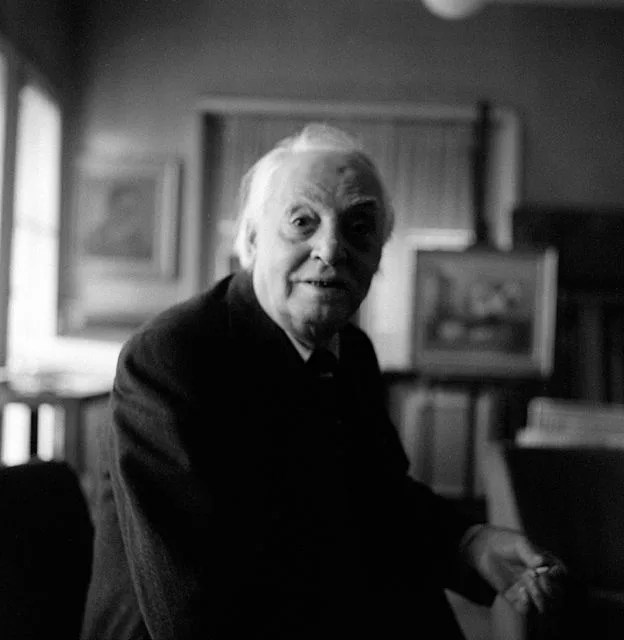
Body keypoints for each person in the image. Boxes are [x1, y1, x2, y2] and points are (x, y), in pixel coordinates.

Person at [81, 123, 565, 640]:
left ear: (379, 254)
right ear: (251, 239)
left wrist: (471, 542)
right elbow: (194, 605)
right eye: (302, 222)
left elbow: (378, 496)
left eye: (359, 227)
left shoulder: (352, 351)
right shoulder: (172, 357)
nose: (332, 249)